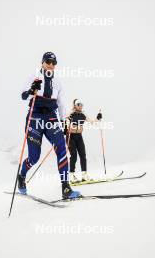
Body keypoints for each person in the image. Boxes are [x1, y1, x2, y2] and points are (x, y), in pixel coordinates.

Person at [18, 52, 81, 199]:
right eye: (48, 61)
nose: (51, 65)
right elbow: (23, 96)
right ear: (42, 62)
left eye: (54, 63)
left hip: (51, 118)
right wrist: (31, 90)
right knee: (34, 157)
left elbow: (60, 103)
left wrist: (63, 122)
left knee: (62, 150)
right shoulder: (33, 77)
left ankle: (66, 188)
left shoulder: (58, 82)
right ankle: (21, 176)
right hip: (35, 117)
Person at [66, 99, 102, 183]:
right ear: (75, 105)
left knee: (83, 155)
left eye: (81, 104)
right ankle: (71, 175)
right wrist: (67, 119)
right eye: (78, 104)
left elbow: (92, 122)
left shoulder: (83, 114)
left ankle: (84, 175)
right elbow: (64, 118)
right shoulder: (71, 114)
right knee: (74, 155)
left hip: (79, 136)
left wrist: (98, 118)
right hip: (70, 136)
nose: (80, 106)